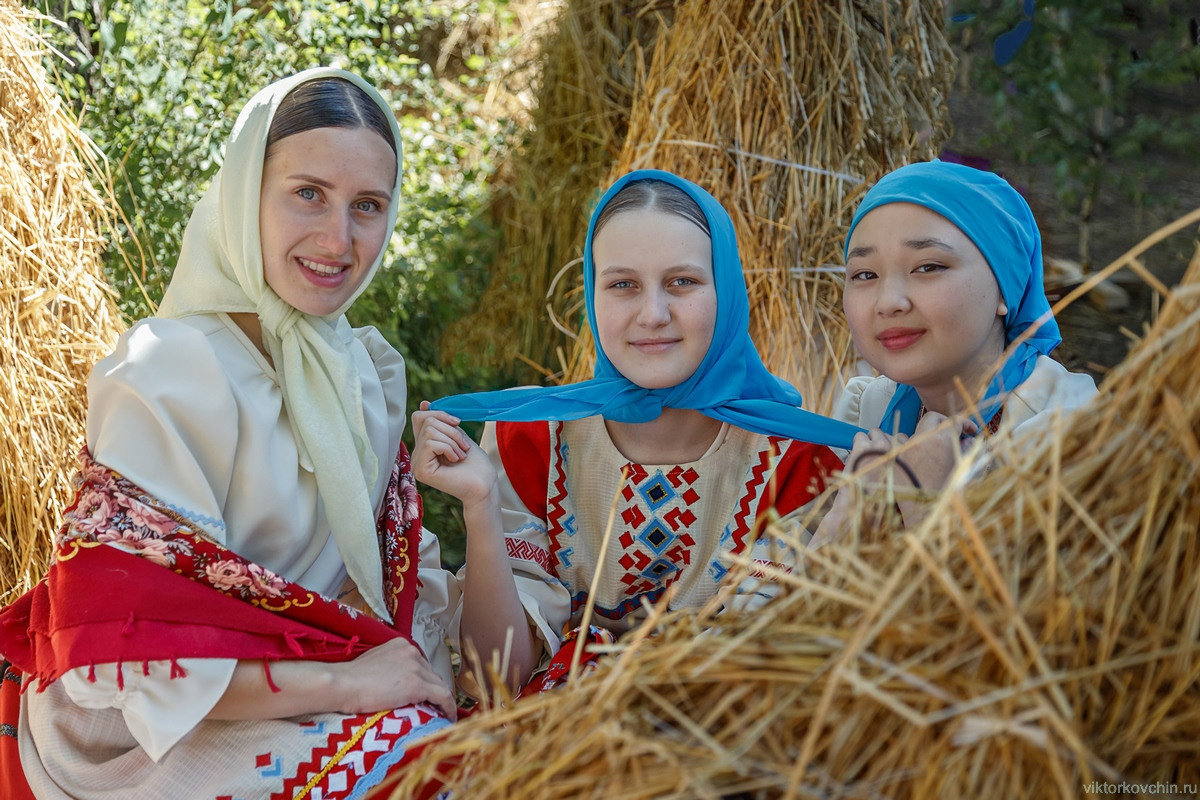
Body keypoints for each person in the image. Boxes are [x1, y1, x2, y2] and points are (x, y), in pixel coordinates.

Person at [0, 68, 459, 800]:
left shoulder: (362, 374)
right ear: (246, 194)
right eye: (308, 193)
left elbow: (385, 585)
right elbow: (117, 650)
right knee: (416, 767)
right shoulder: (169, 370)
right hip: (144, 732)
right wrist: (341, 682)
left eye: (366, 206)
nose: (338, 239)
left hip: (321, 682)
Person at [411, 169, 861, 693]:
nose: (653, 314)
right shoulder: (530, 442)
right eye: (622, 284)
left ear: (729, 290)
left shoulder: (799, 464)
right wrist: (482, 506)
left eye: (682, 282)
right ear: (592, 294)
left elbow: (761, 682)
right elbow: (493, 684)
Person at [816, 159, 1098, 537]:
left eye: (928, 266)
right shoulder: (867, 411)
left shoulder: (1070, 433)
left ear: (1004, 288)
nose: (888, 302)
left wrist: (925, 505)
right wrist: (841, 525)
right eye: (865, 274)